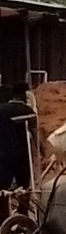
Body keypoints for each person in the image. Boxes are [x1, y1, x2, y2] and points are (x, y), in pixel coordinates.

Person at [0, 84, 35, 221]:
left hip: (2, 155)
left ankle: (3, 218)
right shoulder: (27, 111)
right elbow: (35, 135)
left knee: (2, 188)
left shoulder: (1, 110)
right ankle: (22, 215)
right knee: (23, 187)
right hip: (21, 155)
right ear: (25, 94)